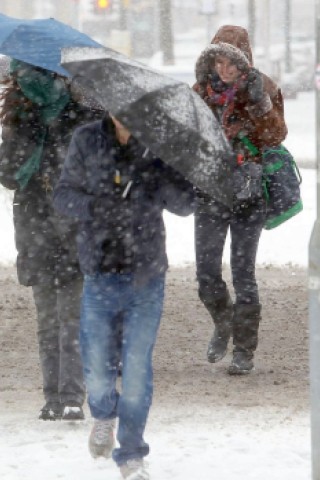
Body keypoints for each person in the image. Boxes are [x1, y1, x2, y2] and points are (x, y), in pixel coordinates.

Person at [53, 113, 195, 479]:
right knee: (98, 370)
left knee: (135, 372)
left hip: (146, 276)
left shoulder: (159, 145)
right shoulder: (87, 139)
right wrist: (98, 207)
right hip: (100, 272)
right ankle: (102, 413)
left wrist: (160, 174)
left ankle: (131, 453)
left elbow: (185, 204)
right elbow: (63, 195)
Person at [0, 60, 103, 420]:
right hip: (34, 228)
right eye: (23, 77)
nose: (30, 83)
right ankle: (53, 397)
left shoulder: (82, 115)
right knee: (47, 320)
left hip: (73, 227)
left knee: (71, 318)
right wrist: (25, 149)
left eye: (36, 76)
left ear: (56, 76)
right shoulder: (18, 117)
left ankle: (73, 394)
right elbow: (9, 175)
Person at [193, 25, 288, 375]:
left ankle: (244, 349)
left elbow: (276, 135)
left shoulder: (263, 88)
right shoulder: (200, 91)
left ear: (244, 60)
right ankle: (223, 323)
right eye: (218, 60)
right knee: (205, 274)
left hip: (250, 193)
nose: (224, 69)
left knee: (243, 273)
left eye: (231, 62)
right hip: (211, 190)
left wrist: (257, 105)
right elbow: (188, 138)